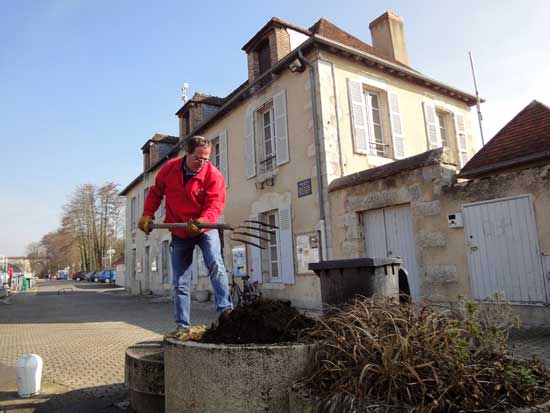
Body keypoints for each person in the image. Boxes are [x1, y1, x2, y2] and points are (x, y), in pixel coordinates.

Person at [138, 136, 233, 339]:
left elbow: (215, 205)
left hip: (205, 229)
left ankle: (226, 312)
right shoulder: (169, 169)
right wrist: (147, 214)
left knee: (216, 264)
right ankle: (182, 325)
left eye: (206, 159)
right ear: (187, 153)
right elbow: (155, 193)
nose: (202, 162)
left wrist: (201, 221)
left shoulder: (213, 176)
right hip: (180, 230)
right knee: (180, 279)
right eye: (198, 158)